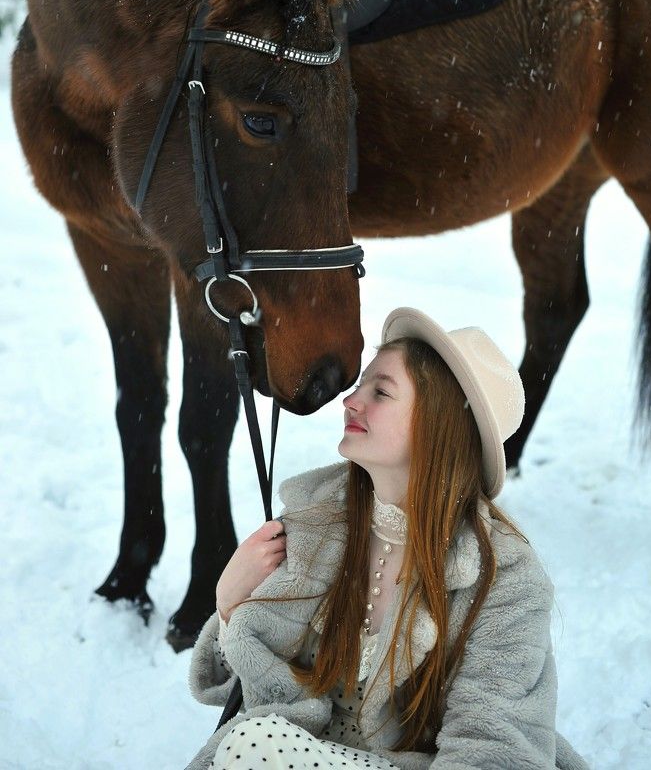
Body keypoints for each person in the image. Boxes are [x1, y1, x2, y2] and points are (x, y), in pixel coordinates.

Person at [186, 308, 588, 770]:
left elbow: (493, 748)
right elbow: (240, 689)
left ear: (439, 424)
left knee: (257, 746)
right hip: (301, 752)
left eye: (381, 392)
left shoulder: (507, 579)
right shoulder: (315, 521)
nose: (350, 401)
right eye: (361, 386)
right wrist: (229, 605)